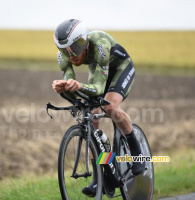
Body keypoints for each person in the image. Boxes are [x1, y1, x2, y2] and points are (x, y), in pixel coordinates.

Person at [52, 19, 145, 197]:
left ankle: (136, 151)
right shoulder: (63, 58)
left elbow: (99, 89)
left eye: (75, 48)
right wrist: (63, 88)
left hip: (120, 68)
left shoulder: (99, 45)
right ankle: (99, 177)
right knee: (92, 116)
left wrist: (78, 85)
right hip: (98, 69)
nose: (71, 55)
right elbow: (75, 92)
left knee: (109, 107)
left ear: (84, 41)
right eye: (65, 50)